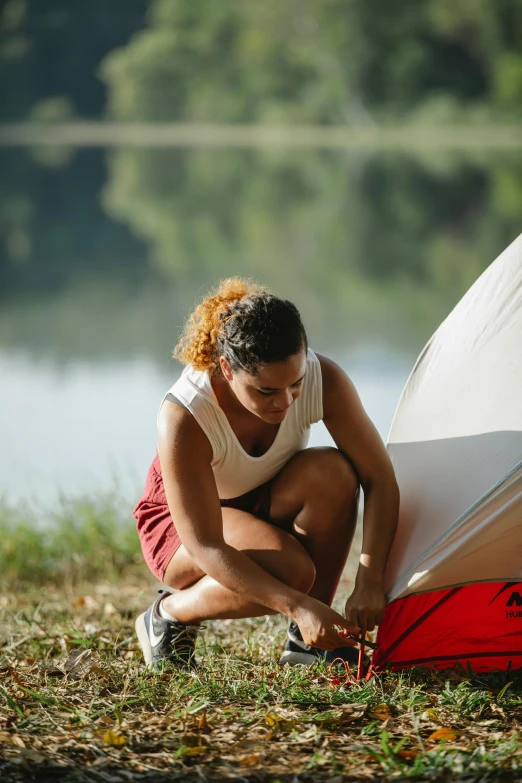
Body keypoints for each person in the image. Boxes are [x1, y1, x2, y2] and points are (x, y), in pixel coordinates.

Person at [134, 279, 399, 670]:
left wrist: (370, 579)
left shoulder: (324, 379)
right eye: (265, 391)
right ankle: (168, 615)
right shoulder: (185, 415)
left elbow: (380, 481)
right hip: (184, 524)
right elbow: (207, 545)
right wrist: (296, 606)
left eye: (295, 384)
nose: (285, 402)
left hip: (263, 497)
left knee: (335, 472)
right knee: (292, 572)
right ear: (226, 368)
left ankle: (311, 645)